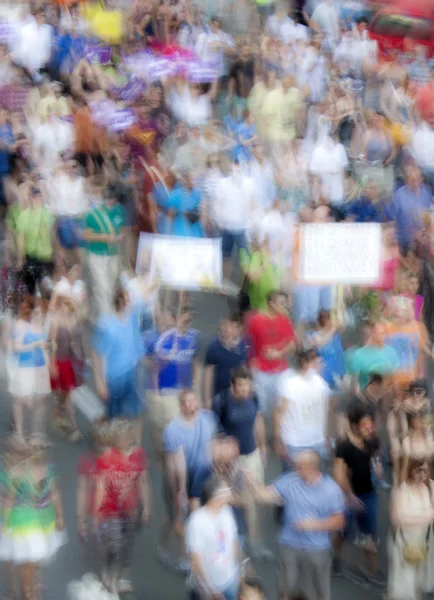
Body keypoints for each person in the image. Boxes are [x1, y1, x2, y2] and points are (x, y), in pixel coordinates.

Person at [246, 450, 345, 600]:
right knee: (286, 590)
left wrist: (313, 525)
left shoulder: (331, 490)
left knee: (319, 592)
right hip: (289, 545)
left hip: (317, 549)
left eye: (300, 467)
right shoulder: (290, 480)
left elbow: (339, 521)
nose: (296, 469)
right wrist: (252, 482)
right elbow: (265, 496)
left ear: (313, 468)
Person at [0, 435, 66, 600]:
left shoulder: (50, 469)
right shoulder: (19, 472)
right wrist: (4, 522)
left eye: (41, 448)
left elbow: (55, 493)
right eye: (34, 449)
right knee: (21, 559)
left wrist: (59, 516)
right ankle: (23, 592)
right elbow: (8, 500)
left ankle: (31, 587)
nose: (38, 452)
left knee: (35, 559)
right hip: (21, 522)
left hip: (44, 521)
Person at [212, 367, 269, 558]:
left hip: (251, 454)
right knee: (232, 500)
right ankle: (232, 542)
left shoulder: (253, 397)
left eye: (247, 385)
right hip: (231, 459)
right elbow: (216, 434)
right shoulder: (222, 401)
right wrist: (222, 461)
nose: (245, 390)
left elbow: (258, 420)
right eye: (241, 386)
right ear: (232, 385)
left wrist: (263, 446)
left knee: (252, 498)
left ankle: (254, 541)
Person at [94, 419, 151, 596]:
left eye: (129, 436)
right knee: (115, 545)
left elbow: (142, 481)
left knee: (127, 544)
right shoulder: (106, 457)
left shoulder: (138, 455)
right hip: (111, 511)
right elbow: (101, 486)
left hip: (131, 509)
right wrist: (97, 514)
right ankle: (110, 576)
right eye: (124, 437)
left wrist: (147, 506)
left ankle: (119, 575)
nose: (128, 439)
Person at [92, 286, 149, 444]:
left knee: (135, 413)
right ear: (121, 301)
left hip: (132, 373)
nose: (132, 301)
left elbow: (147, 292)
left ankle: (136, 448)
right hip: (113, 378)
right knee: (114, 417)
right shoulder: (107, 324)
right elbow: (99, 354)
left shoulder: (131, 318)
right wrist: (100, 382)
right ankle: (102, 436)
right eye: (128, 298)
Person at [148, 307, 201, 463]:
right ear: (176, 320)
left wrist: (195, 389)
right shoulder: (165, 339)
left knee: (179, 425)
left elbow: (196, 363)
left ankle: (178, 457)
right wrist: (156, 393)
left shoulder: (193, 338)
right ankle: (161, 451)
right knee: (160, 428)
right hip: (166, 390)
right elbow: (155, 368)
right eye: (183, 320)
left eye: (189, 320)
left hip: (184, 390)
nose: (186, 323)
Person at [333, 406, 381, 576]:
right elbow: (338, 474)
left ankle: (373, 570)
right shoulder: (344, 446)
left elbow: (375, 458)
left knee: (370, 532)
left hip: (369, 494)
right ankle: (336, 560)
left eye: (371, 424)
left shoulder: (372, 440)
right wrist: (350, 496)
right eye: (364, 424)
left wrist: (377, 466)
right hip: (347, 497)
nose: (369, 428)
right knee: (343, 531)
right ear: (354, 426)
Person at [275, 348, 331, 473]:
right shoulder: (289, 384)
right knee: (292, 480)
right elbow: (279, 413)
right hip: (295, 443)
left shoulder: (321, 383)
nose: (321, 365)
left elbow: (324, 412)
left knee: (318, 478)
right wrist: (278, 440)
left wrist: (325, 435)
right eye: (317, 362)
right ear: (305, 363)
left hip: (317, 441)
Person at [185, 474, 241, 600]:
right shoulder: (197, 521)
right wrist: (212, 590)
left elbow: (233, 541)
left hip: (230, 580)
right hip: (206, 590)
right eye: (227, 490)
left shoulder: (227, 511)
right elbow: (195, 559)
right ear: (217, 495)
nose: (230, 492)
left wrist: (239, 569)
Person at [163, 390, 217, 515]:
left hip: (205, 476)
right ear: (181, 406)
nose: (193, 404)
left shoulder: (208, 418)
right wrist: (178, 490)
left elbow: (213, 445)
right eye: (188, 401)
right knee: (178, 516)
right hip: (186, 477)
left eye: (194, 400)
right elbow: (174, 464)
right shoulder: (173, 429)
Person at [388, 458, 434, 600]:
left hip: (423, 542)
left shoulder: (430, 488)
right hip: (405, 543)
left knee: (419, 581)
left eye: (425, 471)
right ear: (411, 470)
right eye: (418, 470)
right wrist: (426, 517)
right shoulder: (402, 490)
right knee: (405, 585)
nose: (422, 474)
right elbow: (399, 518)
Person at [247, 290, 296, 422]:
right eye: (281, 303)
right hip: (261, 372)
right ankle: (261, 441)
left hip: (281, 371)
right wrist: (252, 369)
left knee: (281, 407)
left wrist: (279, 353)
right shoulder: (256, 321)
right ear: (271, 303)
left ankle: (277, 438)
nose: (284, 306)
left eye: (285, 303)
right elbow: (249, 345)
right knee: (259, 409)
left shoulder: (286, 320)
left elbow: (292, 343)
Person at [8, 297, 51, 442]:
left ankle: (35, 434)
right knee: (21, 400)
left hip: (39, 369)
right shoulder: (22, 326)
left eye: (42, 313)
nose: (40, 315)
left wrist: (48, 365)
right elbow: (16, 347)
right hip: (25, 368)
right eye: (37, 313)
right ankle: (18, 433)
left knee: (40, 401)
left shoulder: (43, 329)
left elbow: (45, 349)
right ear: (30, 312)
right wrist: (33, 345)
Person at [82, 184, 126, 325]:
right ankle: (107, 321)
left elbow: (121, 229)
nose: (110, 202)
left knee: (111, 287)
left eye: (113, 199)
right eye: (108, 198)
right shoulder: (93, 214)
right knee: (103, 287)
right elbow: (86, 235)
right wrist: (105, 238)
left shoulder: (120, 210)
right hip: (97, 254)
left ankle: (99, 314)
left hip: (113, 255)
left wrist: (119, 238)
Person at [48, 293, 85, 442]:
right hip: (60, 361)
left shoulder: (73, 318)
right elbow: (51, 344)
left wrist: (83, 355)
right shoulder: (55, 320)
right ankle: (74, 428)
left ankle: (59, 410)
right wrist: (51, 364)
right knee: (66, 391)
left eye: (67, 303)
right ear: (59, 304)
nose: (66, 306)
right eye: (63, 303)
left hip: (72, 361)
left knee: (67, 391)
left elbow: (79, 337)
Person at [204, 313, 248, 409]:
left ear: (240, 328)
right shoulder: (214, 346)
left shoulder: (244, 345)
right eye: (226, 325)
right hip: (219, 394)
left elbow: (246, 369)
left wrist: (247, 391)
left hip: (237, 395)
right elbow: (208, 373)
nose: (229, 329)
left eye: (234, 326)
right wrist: (207, 399)